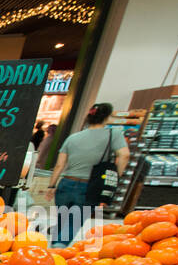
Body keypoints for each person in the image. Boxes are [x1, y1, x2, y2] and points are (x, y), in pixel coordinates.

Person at [45, 102, 130, 246]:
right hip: (89, 186)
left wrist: (51, 186)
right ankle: (58, 250)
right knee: (74, 222)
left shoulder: (73, 138)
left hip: (65, 183)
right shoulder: (113, 134)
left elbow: (59, 165)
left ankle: (53, 248)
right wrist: (116, 176)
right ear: (107, 117)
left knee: (62, 220)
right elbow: (124, 155)